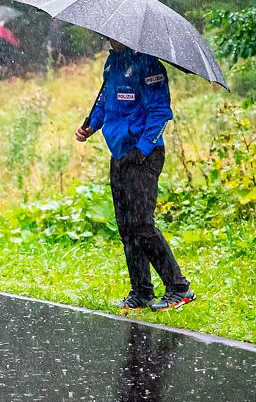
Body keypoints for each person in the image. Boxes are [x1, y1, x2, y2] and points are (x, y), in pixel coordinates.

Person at [75, 38, 193, 311]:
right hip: (119, 154)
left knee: (141, 225)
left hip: (144, 156)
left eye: (111, 35)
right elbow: (105, 103)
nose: (106, 38)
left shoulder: (148, 64)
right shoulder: (112, 62)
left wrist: (141, 150)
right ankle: (141, 291)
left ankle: (179, 287)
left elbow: (161, 113)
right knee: (126, 228)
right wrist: (90, 127)